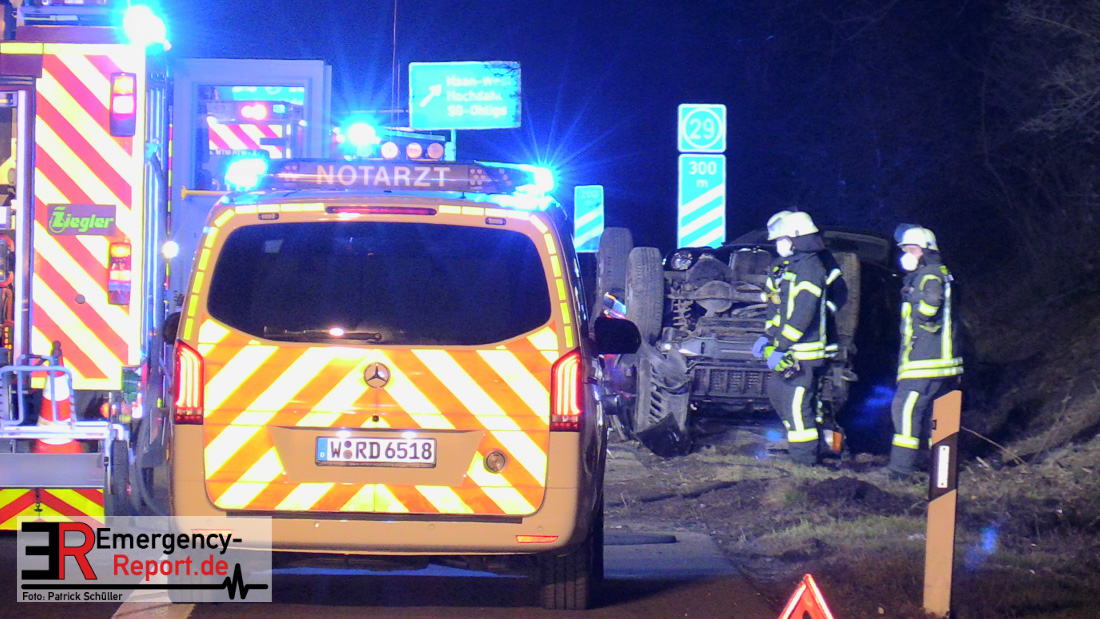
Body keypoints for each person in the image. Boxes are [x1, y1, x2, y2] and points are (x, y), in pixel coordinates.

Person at [752, 210, 841, 466]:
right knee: (778, 393)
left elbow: (803, 313)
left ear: (797, 238)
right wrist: (768, 337)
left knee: (796, 404)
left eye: (783, 239)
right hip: (790, 349)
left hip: (805, 351)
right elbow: (778, 309)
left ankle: (805, 462)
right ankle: (802, 449)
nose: (779, 244)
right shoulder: (790, 267)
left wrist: (780, 345)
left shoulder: (811, 267)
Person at [887, 225, 963, 477]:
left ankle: (900, 470)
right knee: (940, 414)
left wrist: (914, 300)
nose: (907, 254)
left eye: (912, 249)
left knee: (905, 409)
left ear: (926, 251)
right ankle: (942, 472)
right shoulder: (940, 272)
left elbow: (930, 306)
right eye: (905, 249)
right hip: (943, 361)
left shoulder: (929, 274)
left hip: (926, 360)